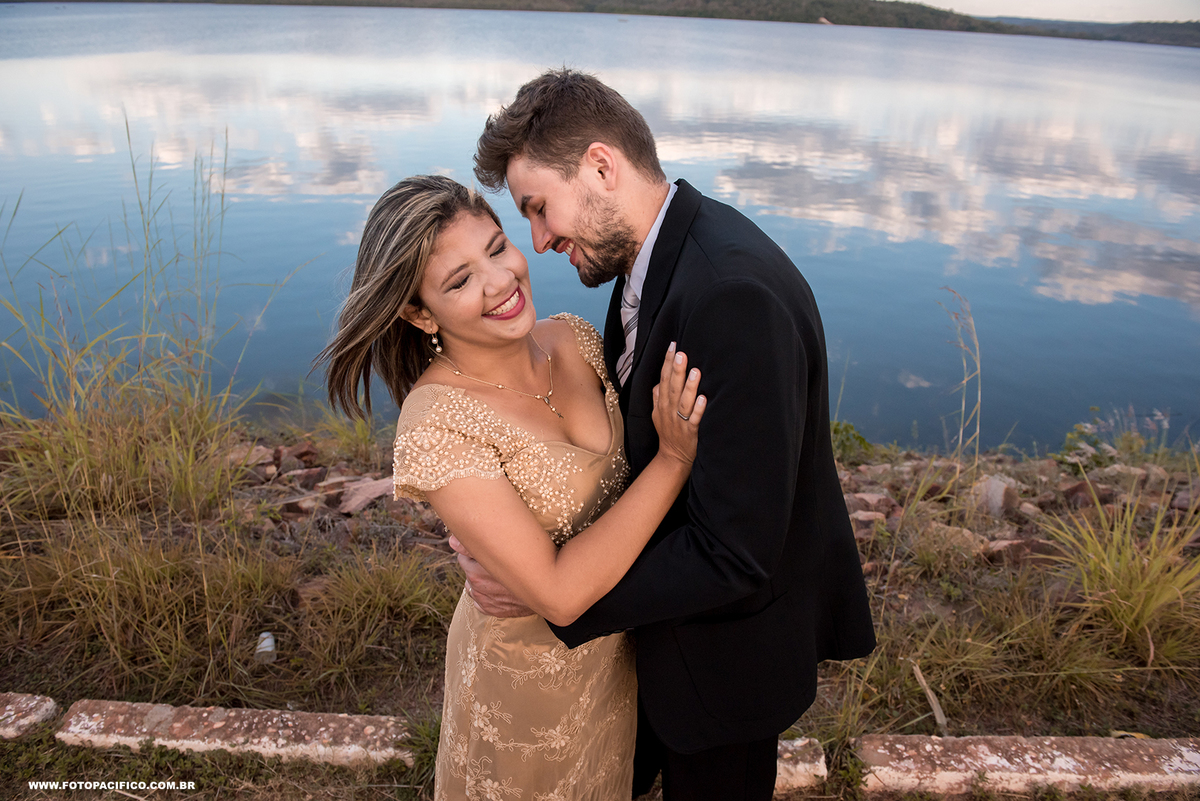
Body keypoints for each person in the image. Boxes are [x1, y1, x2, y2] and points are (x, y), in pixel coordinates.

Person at [459, 69, 877, 800]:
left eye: (538, 208)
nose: (539, 239)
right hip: (663, 642)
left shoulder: (731, 296)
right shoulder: (654, 257)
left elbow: (734, 550)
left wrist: (551, 591)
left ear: (600, 166)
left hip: (723, 668)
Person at [316, 174, 708, 801]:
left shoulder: (575, 338)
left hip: (614, 660)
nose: (500, 281)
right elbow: (559, 595)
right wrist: (673, 460)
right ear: (419, 313)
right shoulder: (436, 423)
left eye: (497, 247)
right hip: (522, 685)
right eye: (459, 281)